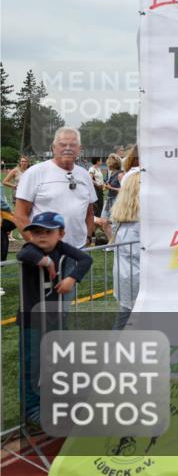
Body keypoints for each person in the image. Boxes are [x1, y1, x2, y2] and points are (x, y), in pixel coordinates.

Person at [17, 211, 94, 423]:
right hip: (31, 320)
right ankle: (32, 410)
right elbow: (23, 255)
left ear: (61, 234)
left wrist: (72, 278)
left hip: (54, 318)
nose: (41, 236)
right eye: (36, 232)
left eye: (48, 232)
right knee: (32, 363)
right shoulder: (30, 248)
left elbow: (85, 259)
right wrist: (47, 262)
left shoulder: (61, 247)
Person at [14, 127, 97, 249]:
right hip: (45, 252)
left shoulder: (84, 175)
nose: (68, 148)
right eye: (63, 144)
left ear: (79, 149)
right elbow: (20, 216)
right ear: (53, 148)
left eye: (73, 145)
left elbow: (89, 213)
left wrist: (88, 238)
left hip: (79, 250)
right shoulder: (34, 173)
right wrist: (37, 246)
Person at [107, 170, 140, 329]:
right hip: (138, 279)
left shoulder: (119, 214)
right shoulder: (142, 220)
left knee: (124, 319)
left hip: (124, 276)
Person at [102, 154, 123, 218]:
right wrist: (106, 186)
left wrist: (110, 187)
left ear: (112, 164)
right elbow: (108, 184)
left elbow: (123, 190)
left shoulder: (120, 174)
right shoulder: (111, 173)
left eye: (108, 163)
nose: (107, 165)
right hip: (109, 198)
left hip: (116, 199)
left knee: (113, 220)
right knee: (103, 218)